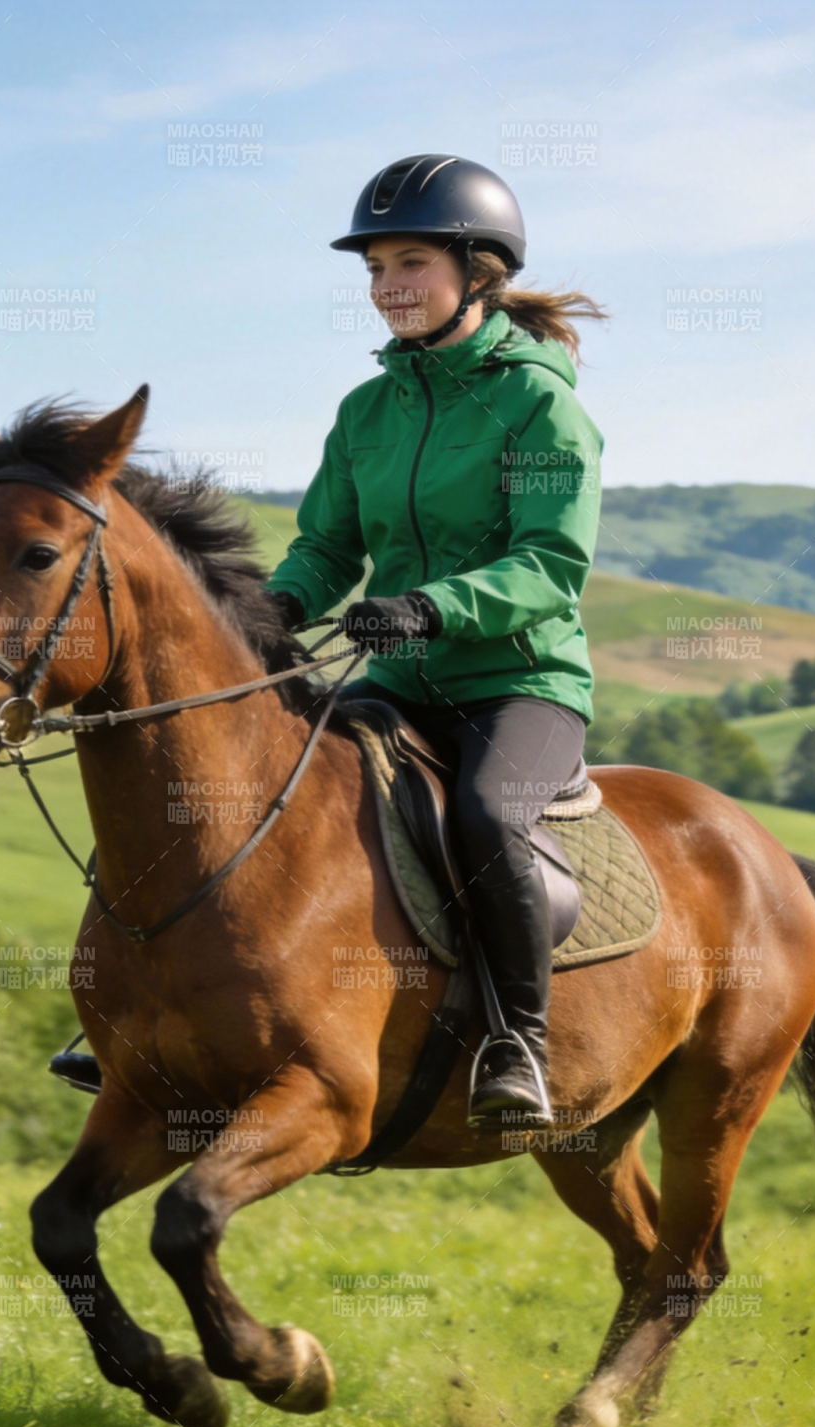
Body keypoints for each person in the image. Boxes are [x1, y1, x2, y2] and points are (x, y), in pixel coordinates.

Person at [266, 153, 607, 1129]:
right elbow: (325, 548)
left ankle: (519, 1042)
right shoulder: (365, 410)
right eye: (374, 270)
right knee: (270, 774)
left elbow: (548, 565)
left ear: (478, 272)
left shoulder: (539, 404)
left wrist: (429, 608)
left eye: (409, 264)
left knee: (486, 817)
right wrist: (272, 610)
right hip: (399, 679)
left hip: (521, 682)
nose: (386, 289)